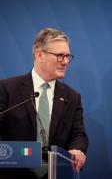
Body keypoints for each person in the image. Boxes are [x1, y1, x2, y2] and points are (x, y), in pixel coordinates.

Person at [0, 27, 89, 178]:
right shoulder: (7, 88)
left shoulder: (72, 97)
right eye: (60, 56)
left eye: (68, 56)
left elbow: (78, 134)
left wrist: (77, 149)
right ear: (39, 55)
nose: (66, 62)